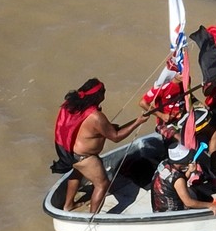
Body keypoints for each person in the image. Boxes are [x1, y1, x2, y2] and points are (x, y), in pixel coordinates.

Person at [53, 78, 151, 214]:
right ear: (98, 95)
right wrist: (138, 122)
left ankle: (68, 206)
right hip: (84, 157)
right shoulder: (96, 117)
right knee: (102, 184)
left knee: (77, 173)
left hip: (70, 153)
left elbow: (91, 129)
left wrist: (109, 128)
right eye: (103, 91)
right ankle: (93, 218)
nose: (105, 93)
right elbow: (116, 137)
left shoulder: (76, 106)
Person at [150, 143, 216, 216]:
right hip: (173, 214)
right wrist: (210, 205)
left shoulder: (164, 164)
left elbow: (176, 183)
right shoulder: (178, 179)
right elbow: (189, 203)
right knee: (197, 195)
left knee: (192, 191)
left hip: (158, 210)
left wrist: (190, 171)